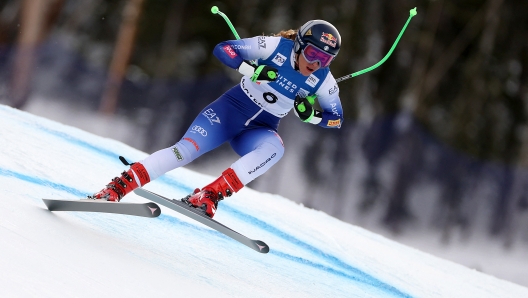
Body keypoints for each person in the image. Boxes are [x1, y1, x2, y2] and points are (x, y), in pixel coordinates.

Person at [89, 20, 344, 218]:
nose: (317, 63)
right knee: (183, 152)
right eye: (313, 54)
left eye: (326, 59)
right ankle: (117, 188)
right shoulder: (274, 46)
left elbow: (336, 119)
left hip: (259, 129)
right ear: (299, 44)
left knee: (274, 149)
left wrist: (313, 116)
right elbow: (224, 49)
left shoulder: (323, 80)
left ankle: (209, 195)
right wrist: (251, 69)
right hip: (228, 112)